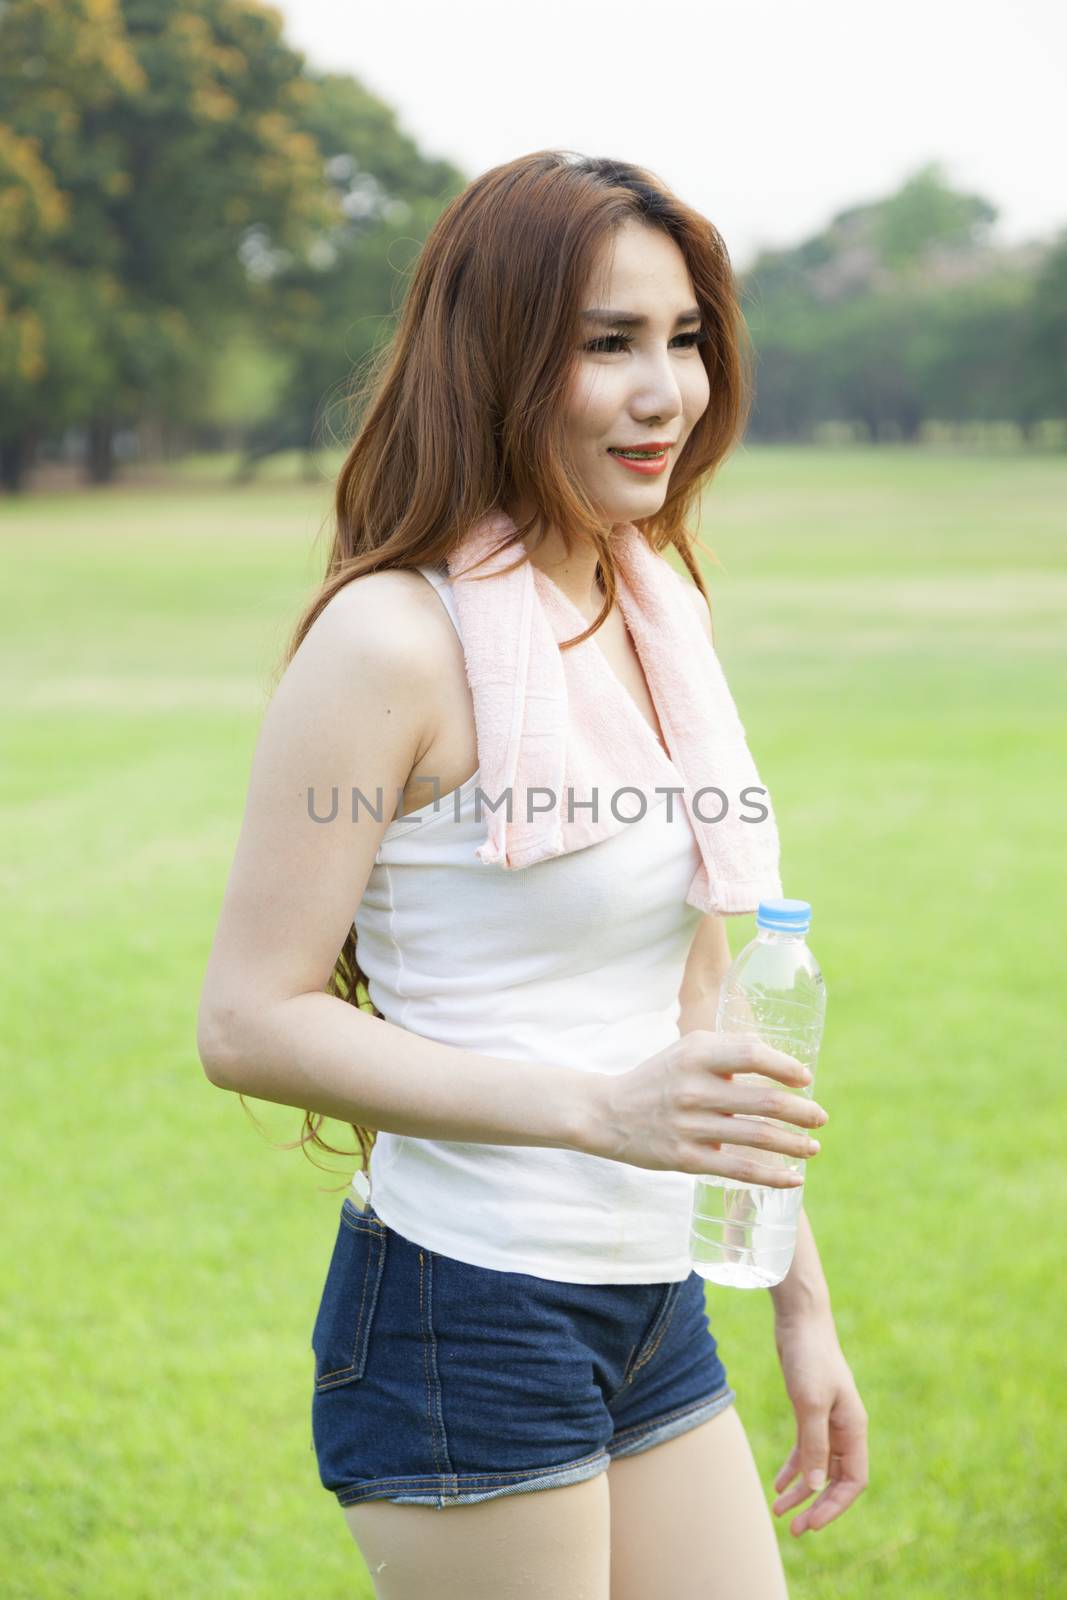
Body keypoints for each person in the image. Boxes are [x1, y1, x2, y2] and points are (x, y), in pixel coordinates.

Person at [196, 150, 868, 1600]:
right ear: (499, 357)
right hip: (465, 1303)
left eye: (684, 339)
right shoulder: (392, 640)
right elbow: (248, 1021)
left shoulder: (656, 597)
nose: (665, 391)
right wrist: (597, 1111)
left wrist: (800, 1304)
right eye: (606, 343)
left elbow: (713, 1007)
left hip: (651, 1299)